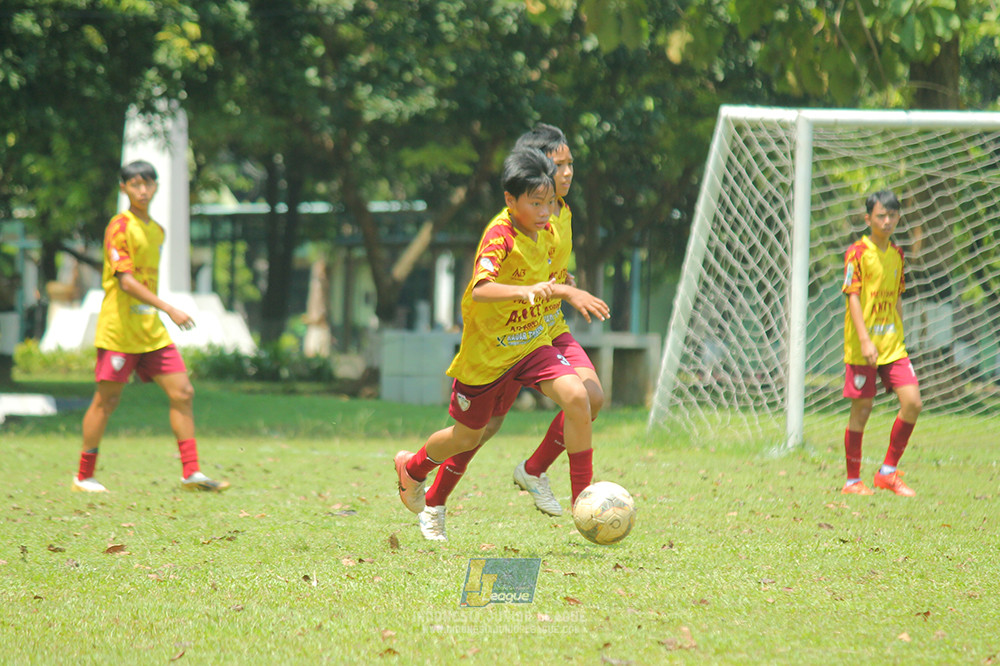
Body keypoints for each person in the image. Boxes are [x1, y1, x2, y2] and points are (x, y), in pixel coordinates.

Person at [394, 148, 595, 539]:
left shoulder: (550, 231)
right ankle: (414, 468)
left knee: (578, 397)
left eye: (549, 203)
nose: (544, 211)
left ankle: (584, 504)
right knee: (468, 436)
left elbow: (547, 277)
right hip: (487, 356)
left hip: (531, 343)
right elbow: (482, 289)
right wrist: (526, 292)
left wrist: (564, 289)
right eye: (535, 203)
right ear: (510, 200)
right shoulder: (499, 235)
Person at [72, 160, 230, 493]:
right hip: (120, 330)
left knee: (183, 392)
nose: (142, 190)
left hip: (150, 331)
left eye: (148, 184)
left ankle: (191, 473)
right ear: (124, 189)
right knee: (107, 401)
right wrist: (170, 308)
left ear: (156, 187)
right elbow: (126, 282)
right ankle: (83, 476)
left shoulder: (157, 230)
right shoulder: (119, 226)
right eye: (135, 185)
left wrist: (161, 312)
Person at [840, 189, 922, 497]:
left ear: (898, 218)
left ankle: (887, 472)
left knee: (912, 402)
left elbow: (897, 297)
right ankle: (852, 481)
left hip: (893, 346)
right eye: (880, 216)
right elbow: (853, 297)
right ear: (868, 219)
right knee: (862, 408)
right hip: (863, 345)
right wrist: (864, 340)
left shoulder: (898, 255)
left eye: (891, 216)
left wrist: (901, 335)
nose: (886, 221)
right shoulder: (858, 253)